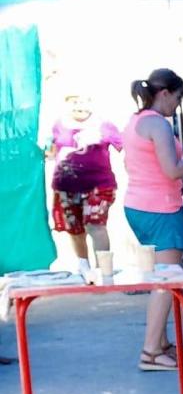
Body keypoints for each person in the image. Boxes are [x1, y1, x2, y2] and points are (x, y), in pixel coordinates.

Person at [121, 68, 183, 371]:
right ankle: (151, 352)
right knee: (167, 281)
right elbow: (173, 171)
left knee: (161, 278)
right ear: (164, 94)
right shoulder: (158, 125)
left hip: (141, 205)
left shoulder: (137, 121)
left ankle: (160, 343)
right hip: (161, 209)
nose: (176, 107)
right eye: (177, 100)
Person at [44, 93, 123, 267]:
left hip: (99, 185)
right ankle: (84, 268)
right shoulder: (58, 125)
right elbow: (49, 152)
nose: (80, 105)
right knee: (75, 229)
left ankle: (103, 270)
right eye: (74, 101)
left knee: (96, 225)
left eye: (84, 100)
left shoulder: (105, 125)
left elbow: (124, 145)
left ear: (92, 103)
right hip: (66, 185)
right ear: (66, 104)